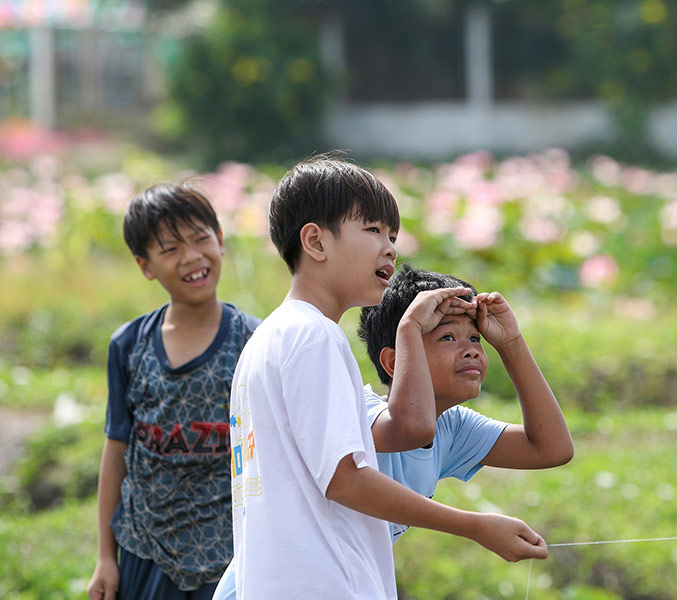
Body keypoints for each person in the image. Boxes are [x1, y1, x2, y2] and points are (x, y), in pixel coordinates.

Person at [226, 156, 547, 600]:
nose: (390, 248)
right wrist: (474, 525)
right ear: (316, 242)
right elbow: (344, 478)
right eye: (373, 230)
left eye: (392, 236)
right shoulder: (314, 335)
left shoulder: (269, 338)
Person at [88, 183, 261, 600]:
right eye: (169, 249)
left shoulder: (256, 342)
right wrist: (105, 557)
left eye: (201, 239)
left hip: (233, 553)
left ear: (220, 241)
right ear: (145, 265)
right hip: (145, 550)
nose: (191, 257)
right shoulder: (128, 345)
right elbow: (117, 450)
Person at [358, 264, 574, 543]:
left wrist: (511, 343)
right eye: (447, 337)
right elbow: (411, 428)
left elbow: (551, 449)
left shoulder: (450, 426)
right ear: (394, 362)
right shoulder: (359, 411)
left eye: (474, 338)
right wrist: (410, 325)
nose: (471, 350)